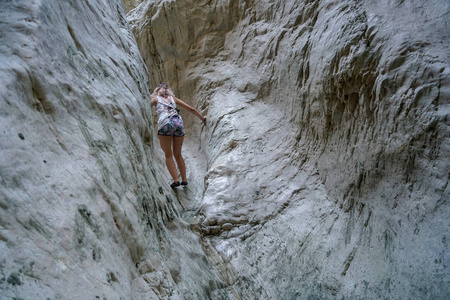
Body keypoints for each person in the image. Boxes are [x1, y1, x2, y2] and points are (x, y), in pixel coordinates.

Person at [151, 83, 206, 188]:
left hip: (165, 124)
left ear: (157, 91)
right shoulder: (173, 99)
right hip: (178, 123)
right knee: (178, 154)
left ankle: (176, 180)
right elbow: (191, 109)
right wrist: (202, 118)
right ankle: (184, 179)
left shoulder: (155, 100)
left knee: (168, 155)